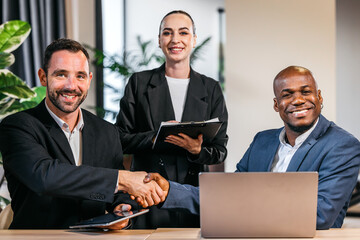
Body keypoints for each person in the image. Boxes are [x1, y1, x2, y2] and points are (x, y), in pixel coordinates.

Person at [141, 66, 360, 230]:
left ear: (319, 97)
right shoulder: (262, 141)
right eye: (287, 94)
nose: (298, 100)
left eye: (306, 92)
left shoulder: (343, 146)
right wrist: (170, 190)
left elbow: (319, 217)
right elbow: (230, 194)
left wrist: (242, 205)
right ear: (277, 105)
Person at [0, 38, 164, 229]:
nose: (71, 86)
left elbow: (118, 193)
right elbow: (44, 177)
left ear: (89, 79)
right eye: (61, 75)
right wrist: (123, 179)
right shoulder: (17, 126)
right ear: (43, 77)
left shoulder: (106, 131)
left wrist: (122, 209)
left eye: (80, 76)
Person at [115, 10, 228, 228]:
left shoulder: (211, 88)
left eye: (183, 33)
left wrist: (196, 151)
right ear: (159, 40)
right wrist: (156, 137)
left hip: (194, 195)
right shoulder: (139, 83)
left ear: (193, 40)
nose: (175, 39)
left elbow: (220, 151)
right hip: (148, 191)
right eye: (167, 33)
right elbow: (119, 138)